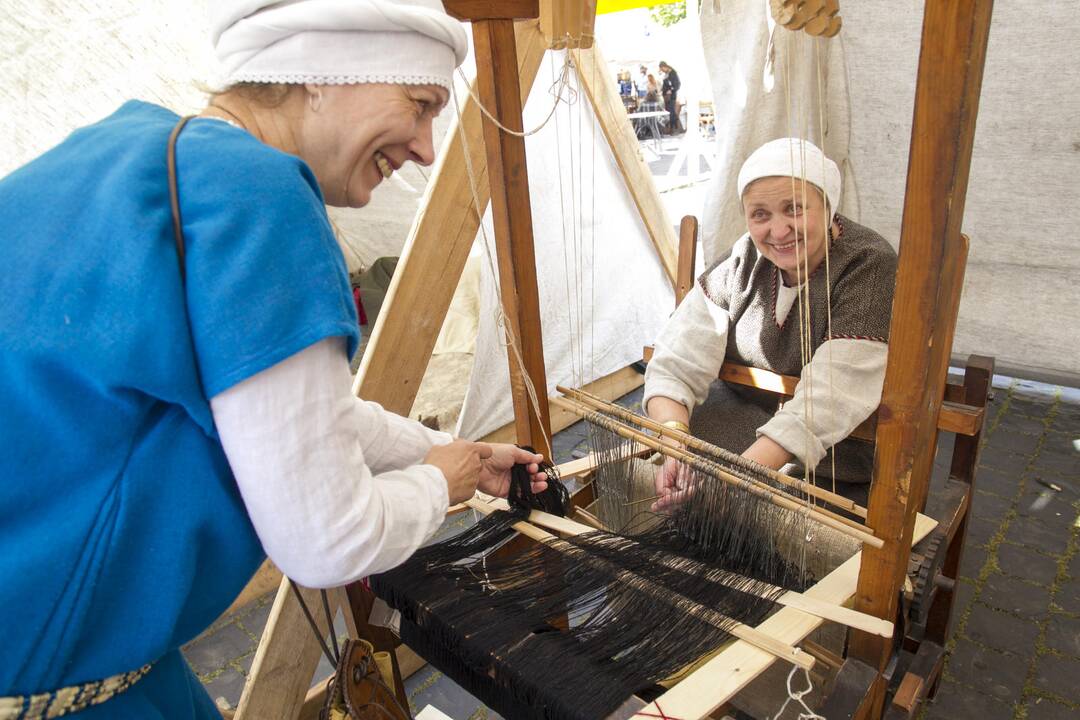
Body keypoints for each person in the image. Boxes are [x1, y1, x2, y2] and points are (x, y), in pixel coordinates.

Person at [0, 1, 550, 717]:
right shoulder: (259, 196)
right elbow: (330, 541)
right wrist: (438, 486)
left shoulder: (117, 152)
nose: (426, 147)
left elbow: (290, 416)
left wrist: (455, 452)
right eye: (419, 105)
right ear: (321, 75)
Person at [644, 138, 897, 510]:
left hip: (830, 458)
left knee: (762, 533)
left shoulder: (868, 265)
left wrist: (738, 476)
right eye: (760, 214)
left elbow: (829, 397)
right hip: (738, 429)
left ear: (827, 207)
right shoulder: (744, 258)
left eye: (794, 209)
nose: (778, 232)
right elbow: (677, 359)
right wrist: (675, 442)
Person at [659, 61, 682, 134]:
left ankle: (675, 128)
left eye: (662, 69)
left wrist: (672, 90)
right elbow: (665, 85)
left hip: (671, 96)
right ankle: (671, 128)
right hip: (666, 96)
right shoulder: (666, 74)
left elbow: (677, 84)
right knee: (668, 111)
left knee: (671, 112)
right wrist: (662, 90)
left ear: (665, 67)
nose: (662, 70)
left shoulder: (673, 73)